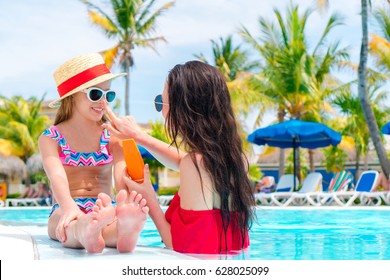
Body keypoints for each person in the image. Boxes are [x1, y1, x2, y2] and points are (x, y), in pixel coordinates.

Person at [103, 60, 256, 254]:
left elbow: (182, 246)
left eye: (161, 102)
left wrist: (150, 199)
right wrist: (138, 136)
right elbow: (181, 160)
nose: (162, 113)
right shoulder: (235, 159)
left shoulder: (195, 165)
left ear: (182, 109)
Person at [38, 53, 149, 253]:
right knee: (65, 227)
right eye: (95, 94)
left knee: (108, 224)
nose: (103, 102)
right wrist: (70, 207)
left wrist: (124, 202)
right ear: (71, 97)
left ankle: (123, 231)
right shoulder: (51, 137)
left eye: (109, 95)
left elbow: (121, 176)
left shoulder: (112, 136)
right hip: (66, 205)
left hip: (104, 206)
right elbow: (56, 177)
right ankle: (86, 232)